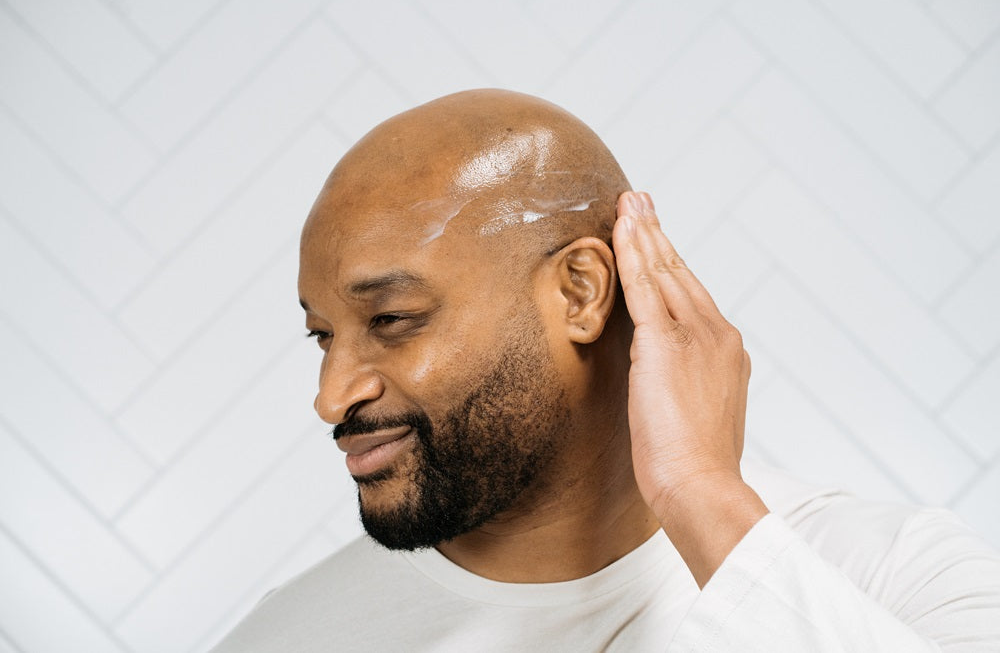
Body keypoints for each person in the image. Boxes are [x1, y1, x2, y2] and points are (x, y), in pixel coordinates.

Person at [211, 89, 1000, 651]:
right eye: (322, 335)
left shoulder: (899, 577)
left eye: (391, 321)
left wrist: (704, 497)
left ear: (580, 293)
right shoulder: (288, 638)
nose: (331, 396)